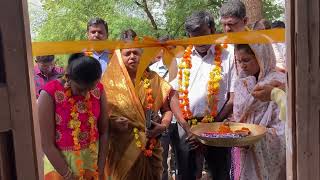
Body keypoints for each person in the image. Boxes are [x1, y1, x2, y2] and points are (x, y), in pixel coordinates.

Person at [102, 30, 189, 180]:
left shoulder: (154, 79)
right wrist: (111, 122)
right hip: (120, 148)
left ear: (142, 55)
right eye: (127, 54)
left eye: (136, 53)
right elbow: (99, 115)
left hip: (150, 144)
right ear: (119, 56)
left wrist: (163, 126)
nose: (132, 57)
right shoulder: (108, 83)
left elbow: (166, 109)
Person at [169, 11, 236, 180]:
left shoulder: (229, 56)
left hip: (217, 124)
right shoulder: (178, 58)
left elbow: (233, 97)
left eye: (203, 35)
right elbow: (173, 96)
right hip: (187, 127)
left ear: (212, 30)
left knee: (220, 173)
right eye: (194, 37)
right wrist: (188, 127)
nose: (199, 42)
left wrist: (209, 128)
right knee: (186, 174)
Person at [38, 54, 109, 179]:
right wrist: (68, 175)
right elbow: (47, 144)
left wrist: (101, 168)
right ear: (69, 78)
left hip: (92, 160)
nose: (86, 93)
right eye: (81, 89)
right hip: (61, 165)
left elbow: (104, 132)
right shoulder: (49, 93)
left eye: (91, 88)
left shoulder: (98, 90)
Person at [231, 44, 286, 180]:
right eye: (239, 61)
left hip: (266, 147)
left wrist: (258, 137)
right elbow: (238, 118)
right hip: (243, 147)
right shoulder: (240, 83)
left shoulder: (278, 82)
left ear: (262, 58)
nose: (242, 65)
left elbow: (283, 126)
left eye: (246, 60)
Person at [149, 35, 178, 180]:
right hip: (160, 124)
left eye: (170, 48)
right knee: (163, 160)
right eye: (163, 48)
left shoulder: (185, 66)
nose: (167, 51)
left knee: (182, 160)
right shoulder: (152, 70)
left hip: (180, 122)